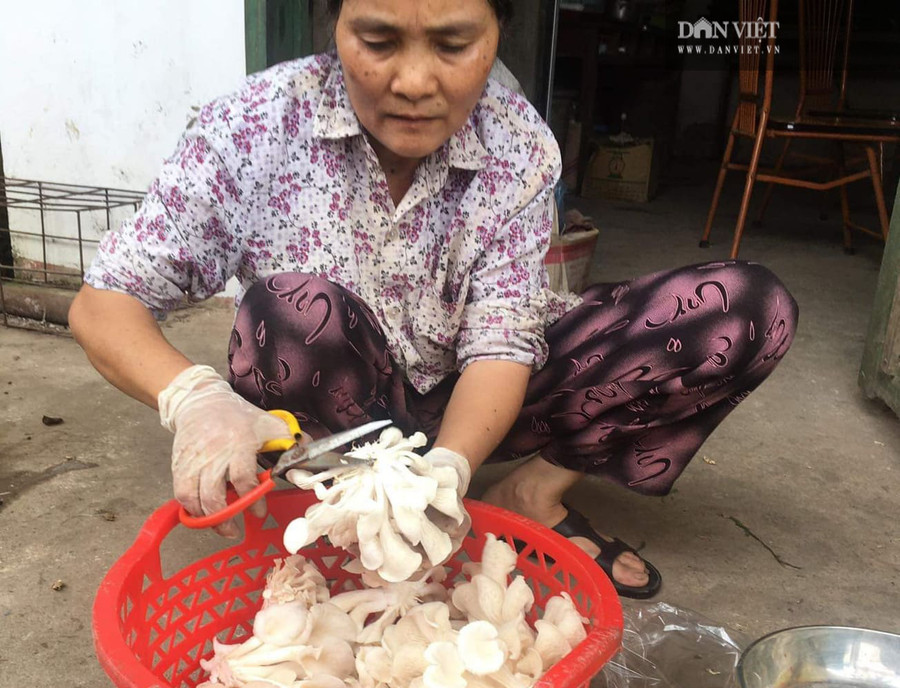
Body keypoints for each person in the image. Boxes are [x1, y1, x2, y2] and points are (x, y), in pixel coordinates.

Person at [69, 0, 798, 599]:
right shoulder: (252, 127)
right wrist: (193, 397)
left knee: (741, 310)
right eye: (378, 40)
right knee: (286, 316)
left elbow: (503, 342)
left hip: (483, 397)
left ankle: (525, 497)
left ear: (497, 34)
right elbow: (104, 301)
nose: (415, 81)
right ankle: (359, 514)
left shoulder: (518, 146)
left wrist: (448, 468)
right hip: (333, 410)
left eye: (453, 44)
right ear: (334, 25)